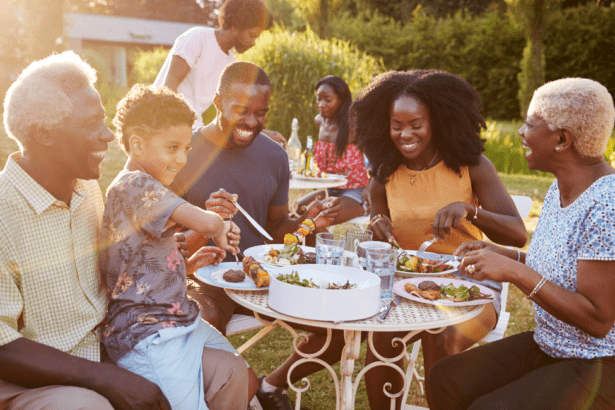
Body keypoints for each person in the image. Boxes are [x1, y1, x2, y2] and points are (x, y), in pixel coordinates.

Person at [0, 51, 173, 409]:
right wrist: (108, 379)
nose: (108, 135)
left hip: (110, 349)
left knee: (224, 371)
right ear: (44, 134)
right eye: (92, 123)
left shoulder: (87, 188)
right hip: (28, 383)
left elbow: (114, 269)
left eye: (104, 120)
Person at [429, 78, 615, 410]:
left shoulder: (607, 206)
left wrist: (515, 272)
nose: (520, 132)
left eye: (530, 123)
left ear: (561, 139)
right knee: (446, 378)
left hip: (600, 363)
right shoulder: (560, 187)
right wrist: (506, 254)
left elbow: (598, 319)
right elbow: (563, 266)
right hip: (551, 346)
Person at [171, 60, 344, 410]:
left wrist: (307, 223)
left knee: (337, 330)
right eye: (241, 110)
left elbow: (277, 227)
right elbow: (166, 241)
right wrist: (205, 221)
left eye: (261, 113)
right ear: (217, 102)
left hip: (267, 278)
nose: (252, 122)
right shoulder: (182, 153)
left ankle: (269, 386)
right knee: (198, 328)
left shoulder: (275, 156)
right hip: (207, 278)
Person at [350, 69, 528, 409]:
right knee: (380, 341)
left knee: (441, 339)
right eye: (396, 125)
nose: (406, 134)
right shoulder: (385, 173)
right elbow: (377, 217)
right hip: (409, 284)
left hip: (471, 282)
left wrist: (470, 210)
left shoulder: (470, 165)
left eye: (416, 124)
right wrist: (378, 223)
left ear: (437, 121)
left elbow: (518, 234)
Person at [100, 83, 251, 410]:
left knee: (239, 372)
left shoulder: (144, 189)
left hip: (174, 322)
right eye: (172, 148)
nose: (182, 159)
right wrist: (220, 225)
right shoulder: (135, 185)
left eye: (185, 148)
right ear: (137, 144)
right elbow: (208, 223)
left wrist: (188, 265)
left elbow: (141, 264)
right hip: (148, 337)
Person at [154, 0, 286, 148]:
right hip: (162, 124)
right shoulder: (198, 38)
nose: (253, 42)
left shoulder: (230, 64)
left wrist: (263, 134)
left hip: (191, 134)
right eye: (252, 35)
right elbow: (168, 86)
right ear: (236, 25)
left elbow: (224, 114)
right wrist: (179, 131)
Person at [296, 75, 369, 224]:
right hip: (328, 189)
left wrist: (372, 190)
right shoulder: (319, 121)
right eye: (319, 99)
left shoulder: (354, 125)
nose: (321, 104)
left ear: (341, 101)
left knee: (317, 220)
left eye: (328, 100)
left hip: (354, 191)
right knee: (296, 210)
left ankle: (326, 245)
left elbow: (376, 159)